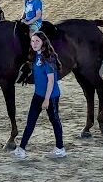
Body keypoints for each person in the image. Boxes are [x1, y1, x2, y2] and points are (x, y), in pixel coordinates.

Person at [13, 31, 66, 160]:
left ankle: (60, 148)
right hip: (38, 94)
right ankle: (21, 148)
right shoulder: (36, 56)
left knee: (55, 121)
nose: (34, 43)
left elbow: (51, 81)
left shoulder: (48, 58)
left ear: (43, 42)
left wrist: (47, 99)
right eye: (32, 41)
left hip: (51, 95)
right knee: (30, 121)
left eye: (37, 41)